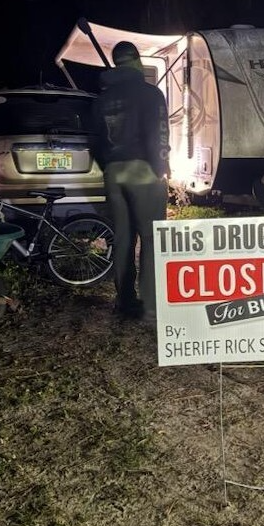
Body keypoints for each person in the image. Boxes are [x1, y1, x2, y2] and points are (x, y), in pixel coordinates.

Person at [90, 41, 170, 323]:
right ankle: (152, 307)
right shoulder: (150, 94)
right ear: (136, 61)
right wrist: (161, 167)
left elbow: (94, 142)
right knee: (150, 238)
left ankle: (124, 302)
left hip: (113, 172)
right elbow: (158, 134)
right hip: (143, 171)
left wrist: (108, 166)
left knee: (123, 239)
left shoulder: (101, 99)